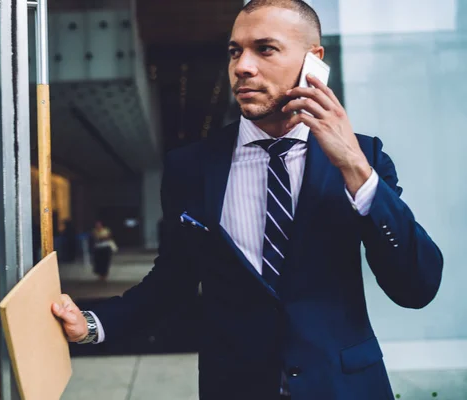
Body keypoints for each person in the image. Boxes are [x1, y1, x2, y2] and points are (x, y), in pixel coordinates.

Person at [51, 1, 444, 399]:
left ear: (313, 60)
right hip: (235, 387)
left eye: (265, 49)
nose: (242, 66)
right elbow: (172, 281)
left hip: (343, 386)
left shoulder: (365, 158)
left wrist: (356, 171)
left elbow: (416, 286)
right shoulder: (192, 167)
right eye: (235, 51)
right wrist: (93, 323)